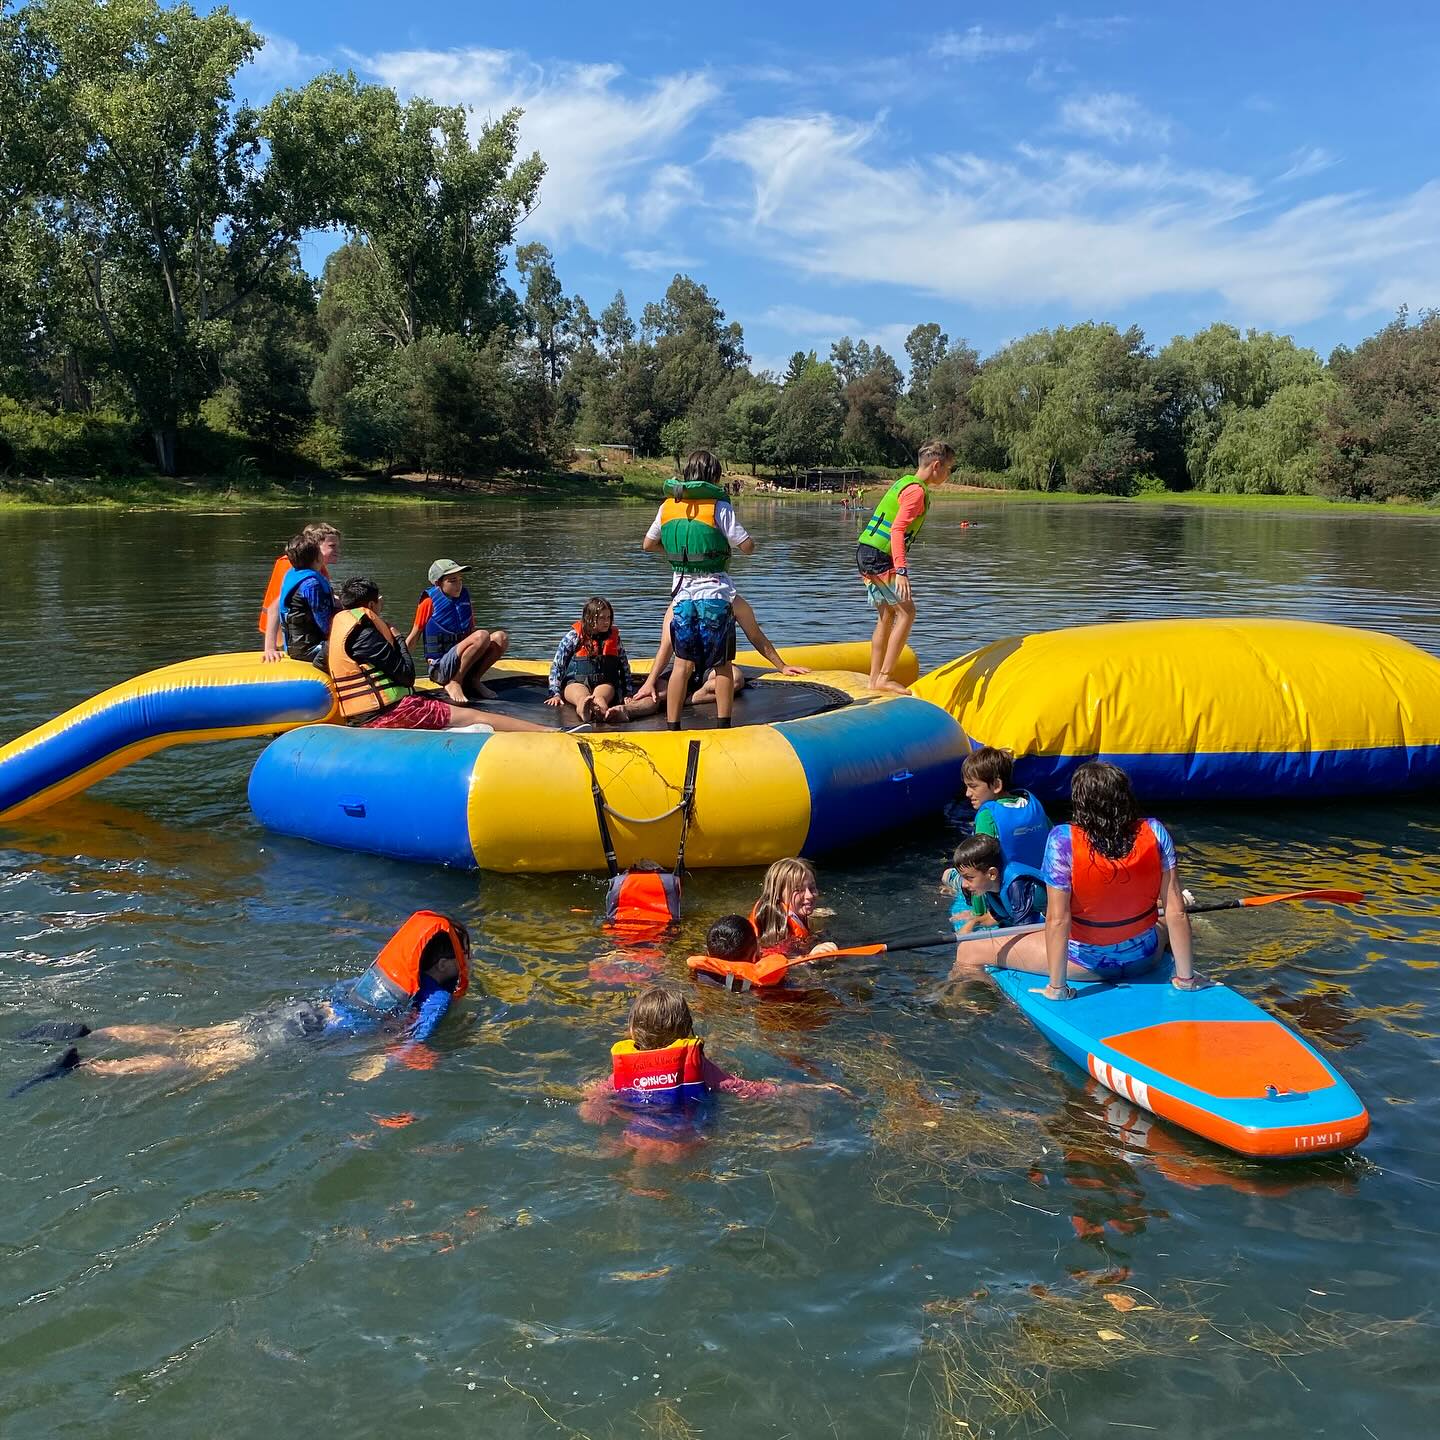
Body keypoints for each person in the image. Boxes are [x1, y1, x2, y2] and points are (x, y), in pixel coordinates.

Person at [11, 912, 474, 1092]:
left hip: (297, 1010)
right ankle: (83, 1068)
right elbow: (416, 1041)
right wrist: (382, 1063)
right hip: (306, 1031)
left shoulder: (384, 975)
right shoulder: (432, 996)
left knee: (194, 1036)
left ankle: (90, 1033)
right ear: (446, 964)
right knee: (200, 1063)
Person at [988, 761, 1206, 1000]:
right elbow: (1176, 911)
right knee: (1163, 920)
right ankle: (1186, 975)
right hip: (1145, 957)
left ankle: (966, 998)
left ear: (1080, 802)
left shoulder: (1062, 840)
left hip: (1085, 966)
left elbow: (1058, 920)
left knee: (971, 951)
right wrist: (1186, 979)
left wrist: (1057, 988)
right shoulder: (1155, 831)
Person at [328, 577, 542, 733]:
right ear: (373, 604)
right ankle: (548, 733)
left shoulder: (339, 629)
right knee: (474, 716)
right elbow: (407, 675)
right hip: (388, 714)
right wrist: (399, 639)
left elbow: (325, 662)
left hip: (358, 716)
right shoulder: (366, 633)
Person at [641, 449, 754, 731]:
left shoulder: (667, 506)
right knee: (722, 665)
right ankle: (723, 726)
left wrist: (680, 551)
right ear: (714, 476)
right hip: (714, 596)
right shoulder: (719, 507)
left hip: (682, 596)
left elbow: (648, 544)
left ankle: (673, 727)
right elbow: (746, 546)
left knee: (682, 664)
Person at [855, 441, 955, 693]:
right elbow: (898, 530)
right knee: (907, 612)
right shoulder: (916, 492)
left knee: (887, 615)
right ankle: (885, 676)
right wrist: (901, 570)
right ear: (936, 465)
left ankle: (874, 679)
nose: (948, 474)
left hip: (866, 551)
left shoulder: (905, 481)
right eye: (949, 468)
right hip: (880, 556)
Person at [627, 593, 807, 717]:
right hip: (682, 667)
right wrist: (649, 682)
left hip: (712, 667)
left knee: (736, 678)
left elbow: (755, 635)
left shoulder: (733, 602)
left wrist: (781, 666)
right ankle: (625, 710)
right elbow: (665, 648)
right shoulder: (678, 605)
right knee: (654, 695)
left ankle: (690, 699)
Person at [404, 559, 507, 703]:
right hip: (440, 668)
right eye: (452, 581)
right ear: (438, 583)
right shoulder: (429, 601)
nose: (458, 585)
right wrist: (401, 672)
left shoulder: (464, 597)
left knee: (500, 638)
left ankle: (474, 680)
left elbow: (472, 631)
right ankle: (454, 682)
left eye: (460, 580)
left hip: (462, 663)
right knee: (481, 635)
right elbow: (413, 637)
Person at [945, 833, 1047, 975]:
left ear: (992, 873)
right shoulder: (992, 885)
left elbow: (1025, 932)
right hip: (1034, 927)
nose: (964, 884)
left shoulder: (1017, 886)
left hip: (1067, 930)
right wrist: (973, 923)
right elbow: (997, 915)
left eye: (969, 878)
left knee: (970, 953)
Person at [545, 596, 634, 724]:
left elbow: (624, 667)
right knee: (581, 696)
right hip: (576, 682)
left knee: (601, 697)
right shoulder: (574, 637)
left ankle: (602, 711)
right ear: (590, 619)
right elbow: (558, 665)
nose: (607, 622)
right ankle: (584, 710)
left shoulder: (615, 640)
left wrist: (627, 693)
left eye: (609, 618)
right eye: (602, 618)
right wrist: (555, 693)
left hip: (604, 683)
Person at [961, 746, 1051, 872]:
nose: (967, 793)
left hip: (1008, 887)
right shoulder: (1034, 806)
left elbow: (980, 866)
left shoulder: (987, 815)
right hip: (1041, 883)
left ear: (997, 785)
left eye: (973, 786)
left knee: (949, 874)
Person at [261, 521, 340, 662]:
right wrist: (270, 648)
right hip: (287, 637)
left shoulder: (315, 570)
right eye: (332, 546)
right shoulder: (294, 567)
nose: (338, 551)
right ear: (315, 547)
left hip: (301, 634)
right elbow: (274, 607)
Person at [751, 858, 840, 959]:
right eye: (799, 890)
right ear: (778, 894)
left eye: (812, 888)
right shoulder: (775, 925)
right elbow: (771, 960)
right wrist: (810, 957)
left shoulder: (788, 909)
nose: (809, 895)